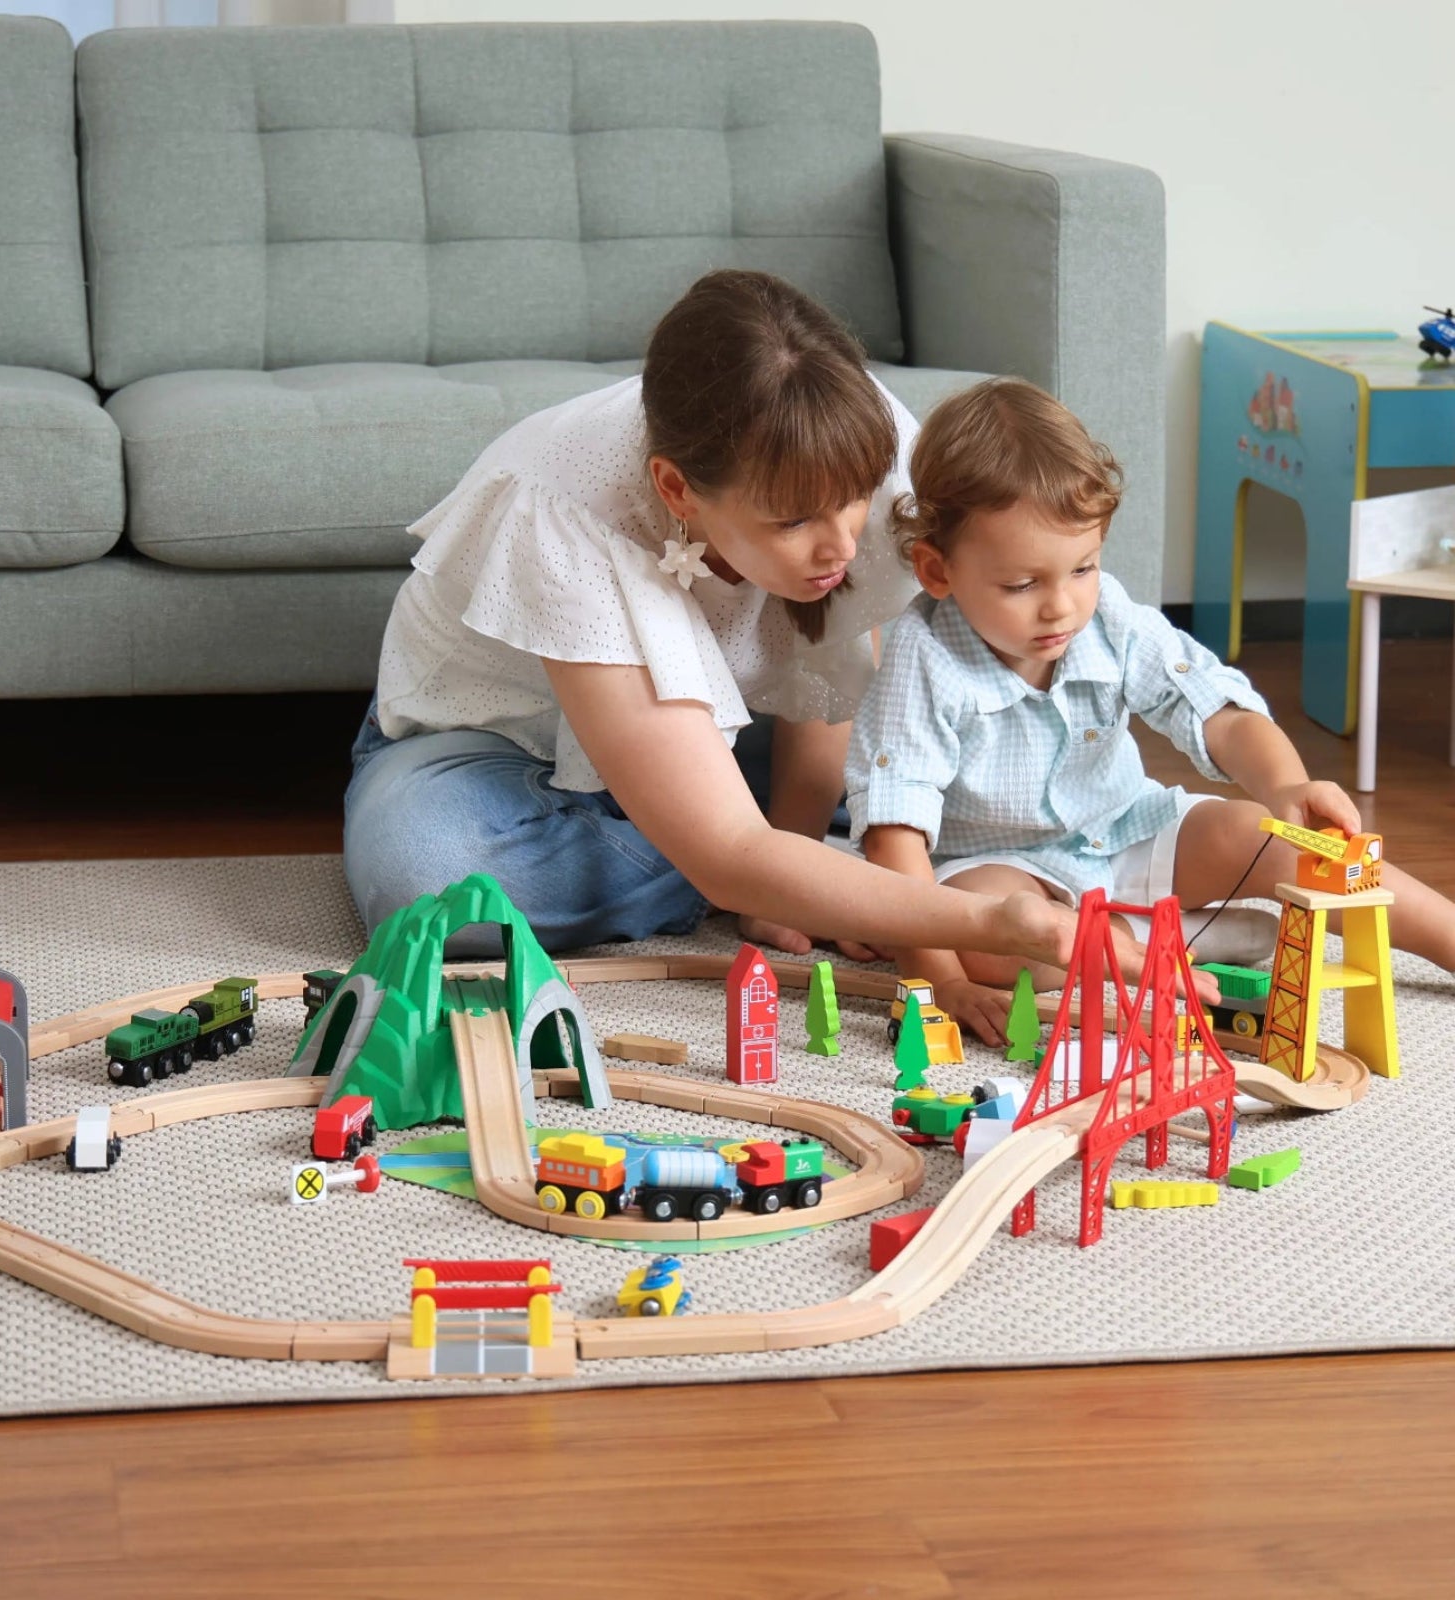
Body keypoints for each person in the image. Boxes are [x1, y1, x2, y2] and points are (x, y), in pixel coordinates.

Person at [344, 271, 1090, 974]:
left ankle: (783, 860)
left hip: (720, 732)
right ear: (676, 489)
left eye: (853, 501)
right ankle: (793, 866)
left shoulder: (856, 436)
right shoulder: (567, 511)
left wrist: (785, 855)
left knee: (947, 764)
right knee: (427, 881)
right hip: (494, 752)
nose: (840, 545)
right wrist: (975, 922)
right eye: (793, 520)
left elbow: (827, 669)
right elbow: (728, 850)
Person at [846, 376, 1455, 1044]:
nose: (1061, 606)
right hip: (1002, 868)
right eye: (1021, 584)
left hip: (1126, 831)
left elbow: (1216, 712)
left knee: (1264, 834)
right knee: (991, 945)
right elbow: (894, 837)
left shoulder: (1107, 618)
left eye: (1083, 567)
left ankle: (1444, 936)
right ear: (938, 572)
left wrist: (1287, 784)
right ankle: (1183, 936)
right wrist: (942, 982)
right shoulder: (922, 656)